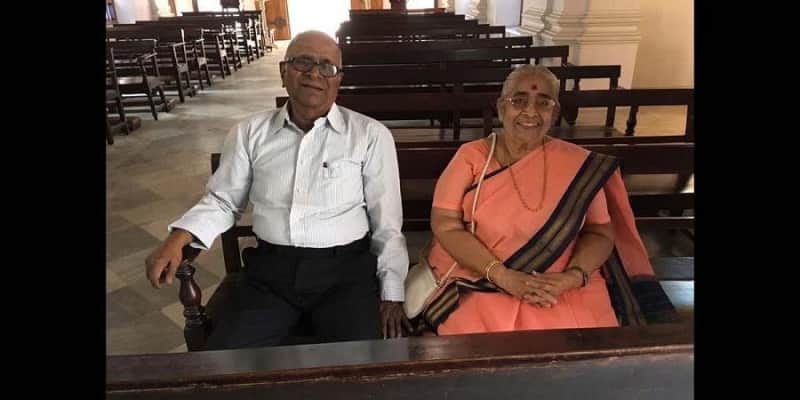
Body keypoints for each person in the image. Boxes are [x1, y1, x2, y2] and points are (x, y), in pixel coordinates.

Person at [145, 31, 411, 349]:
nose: (314, 73)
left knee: (359, 362)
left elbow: (387, 224)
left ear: (338, 79)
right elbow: (224, 201)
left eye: (327, 66)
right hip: (271, 274)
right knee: (226, 358)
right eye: (303, 62)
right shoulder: (249, 132)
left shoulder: (370, 135)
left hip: (345, 275)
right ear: (283, 71)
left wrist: (392, 293)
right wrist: (178, 238)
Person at [422, 64, 659, 334]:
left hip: (561, 281)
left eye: (543, 103)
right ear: (501, 107)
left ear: (555, 113)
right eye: (518, 100)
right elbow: (446, 225)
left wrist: (572, 277)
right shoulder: (472, 157)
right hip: (479, 274)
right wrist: (502, 276)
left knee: (586, 341)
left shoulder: (577, 164)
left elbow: (599, 231)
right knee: (478, 340)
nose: (531, 112)